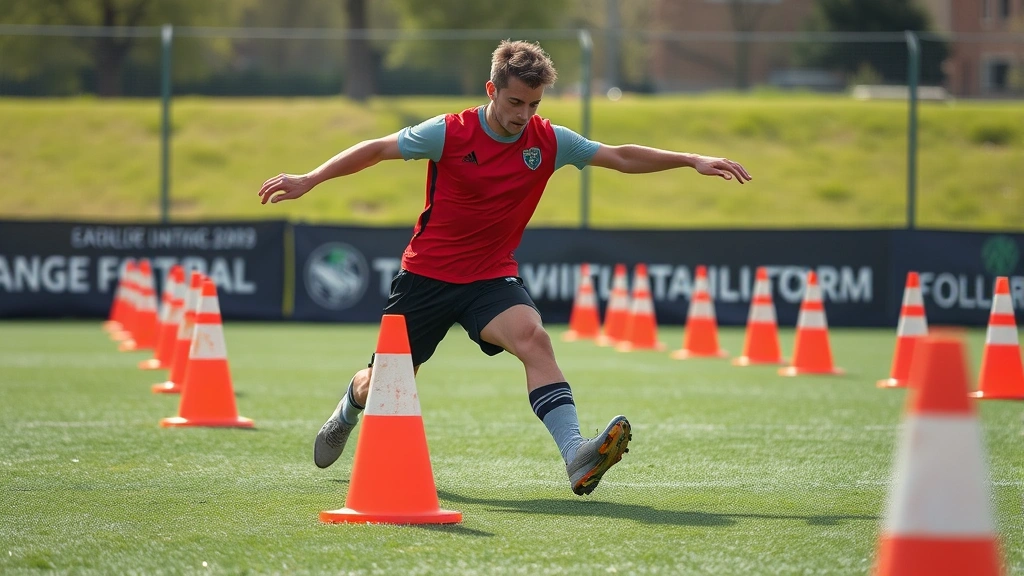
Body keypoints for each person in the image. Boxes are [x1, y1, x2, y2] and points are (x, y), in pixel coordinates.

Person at [258, 40, 751, 497]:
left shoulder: (549, 141)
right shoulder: (449, 132)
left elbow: (620, 156)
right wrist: (310, 178)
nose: (525, 115)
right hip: (426, 277)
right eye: (516, 103)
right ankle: (348, 407)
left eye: (535, 104)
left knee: (534, 338)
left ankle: (576, 455)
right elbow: (377, 149)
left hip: (491, 277)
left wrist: (690, 159)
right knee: (383, 381)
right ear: (492, 90)